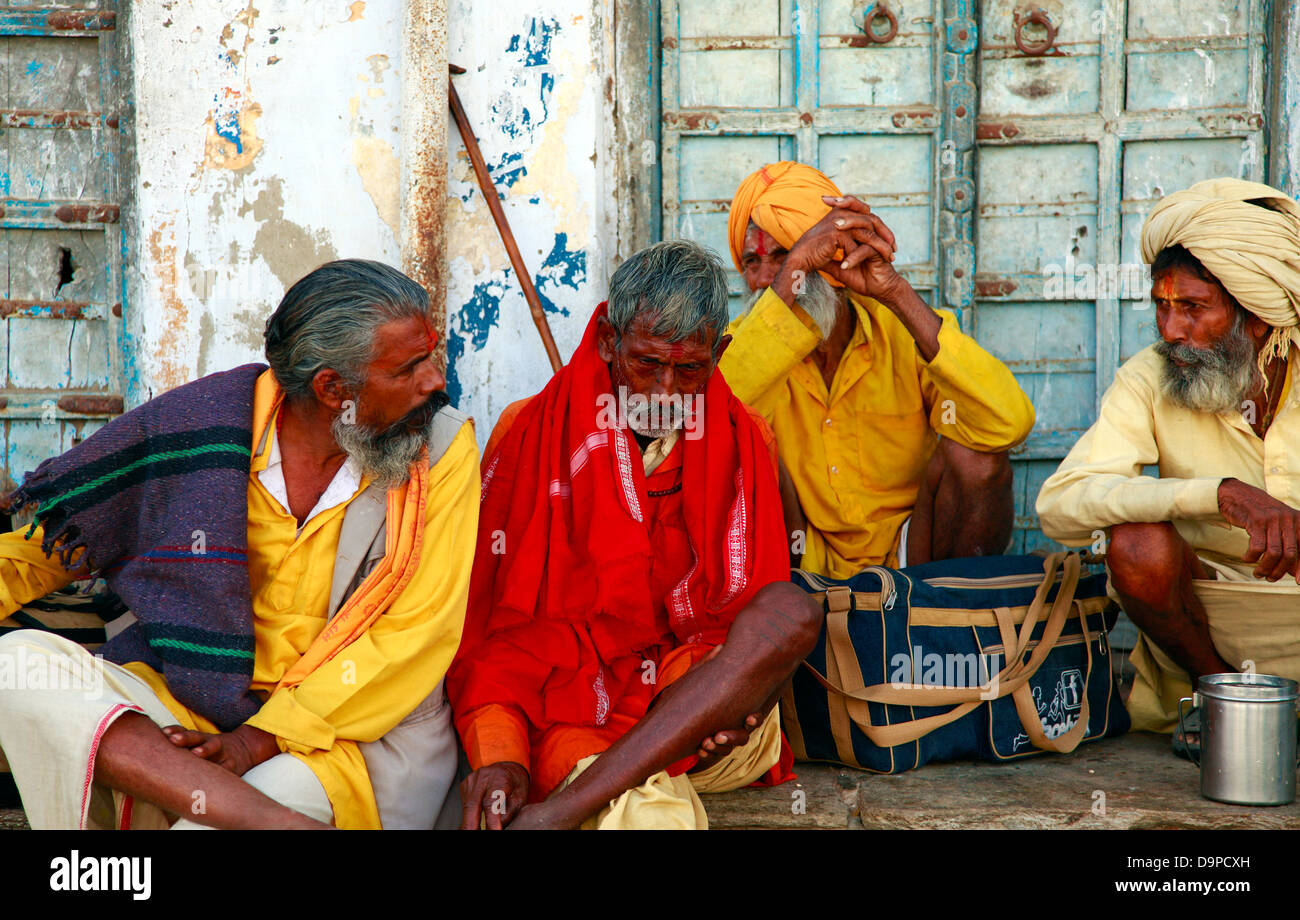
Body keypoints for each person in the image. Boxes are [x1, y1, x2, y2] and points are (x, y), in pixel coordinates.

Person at [0, 259, 478, 828]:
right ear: (332, 389)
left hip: (340, 736)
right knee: (17, 665)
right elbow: (51, 545)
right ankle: (268, 820)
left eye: (432, 356)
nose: (436, 382)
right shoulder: (200, 427)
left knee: (207, 823)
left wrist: (254, 743)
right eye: (410, 368)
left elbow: (413, 636)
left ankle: (230, 809)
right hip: (188, 696)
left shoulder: (442, 451)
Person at [447, 240, 822, 829]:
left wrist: (739, 705)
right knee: (649, 819)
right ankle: (593, 792)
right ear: (607, 343)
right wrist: (500, 755)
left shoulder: (747, 438)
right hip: (570, 710)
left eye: (690, 369)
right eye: (647, 363)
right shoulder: (528, 433)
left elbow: (749, 636)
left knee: (789, 609)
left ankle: (570, 806)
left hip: (705, 718)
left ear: (719, 356)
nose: (665, 393)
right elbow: (491, 633)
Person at [1036, 178, 1300, 748]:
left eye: (1193, 308)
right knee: (1135, 543)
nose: (1170, 330)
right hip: (1212, 619)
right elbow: (1060, 505)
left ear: (1256, 315)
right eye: (1162, 305)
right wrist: (1217, 493)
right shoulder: (1152, 376)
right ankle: (1222, 701)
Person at [720, 162, 1036, 575]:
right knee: (751, 448)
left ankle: (951, 614)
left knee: (978, 457)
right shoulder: (745, 344)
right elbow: (711, 431)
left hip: (913, 556)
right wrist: (794, 273)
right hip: (800, 564)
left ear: (831, 255)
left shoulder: (901, 328)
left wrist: (896, 292)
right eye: (751, 262)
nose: (763, 280)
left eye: (783, 253)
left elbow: (1008, 424)